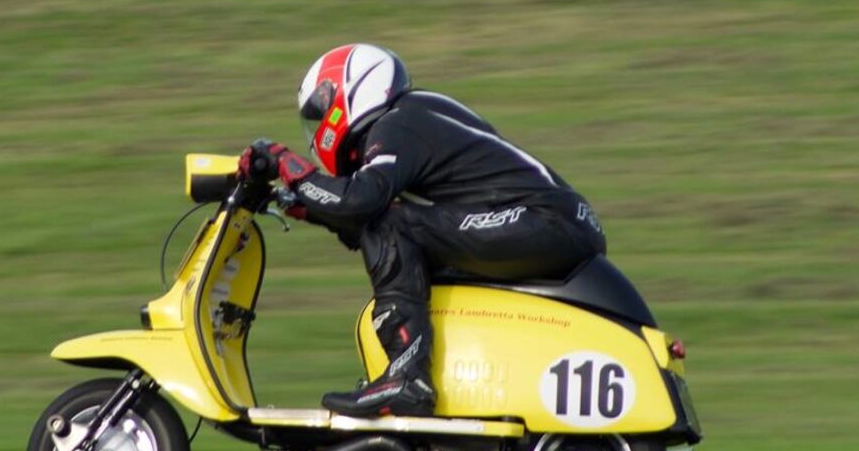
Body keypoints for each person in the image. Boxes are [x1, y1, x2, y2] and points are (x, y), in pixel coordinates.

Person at [238, 44, 606, 418]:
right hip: (550, 219)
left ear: (351, 90)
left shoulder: (397, 122)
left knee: (393, 222)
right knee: (392, 224)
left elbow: (361, 203)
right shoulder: (413, 114)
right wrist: (301, 206)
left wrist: (288, 164)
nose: (319, 129)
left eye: (321, 112)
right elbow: (358, 221)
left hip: (542, 219)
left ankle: (407, 376)